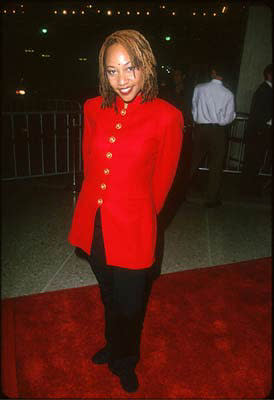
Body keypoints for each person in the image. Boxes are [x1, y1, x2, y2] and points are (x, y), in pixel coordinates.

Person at [68, 30, 183, 393]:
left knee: (131, 304)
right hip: (96, 223)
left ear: (145, 66)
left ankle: (126, 358)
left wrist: (138, 216)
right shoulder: (92, 108)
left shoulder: (168, 116)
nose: (122, 80)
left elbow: (162, 185)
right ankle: (112, 344)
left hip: (135, 228)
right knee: (108, 294)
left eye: (130, 68)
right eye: (113, 71)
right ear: (104, 73)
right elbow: (89, 163)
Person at [186, 65, 235, 207]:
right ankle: (211, 198)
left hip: (200, 128)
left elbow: (194, 108)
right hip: (217, 131)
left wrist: (198, 119)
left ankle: (180, 191)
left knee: (192, 161)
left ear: (213, 72)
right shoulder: (228, 94)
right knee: (216, 165)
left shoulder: (199, 88)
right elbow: (227, 118)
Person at [241, 64, 272, 196]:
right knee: (253, 161)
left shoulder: (264, 89)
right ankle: (249, 189)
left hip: (258, 131)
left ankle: (249, 188)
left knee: (253, 161)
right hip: (258, 132)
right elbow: (260, 113)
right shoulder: (264, 90)